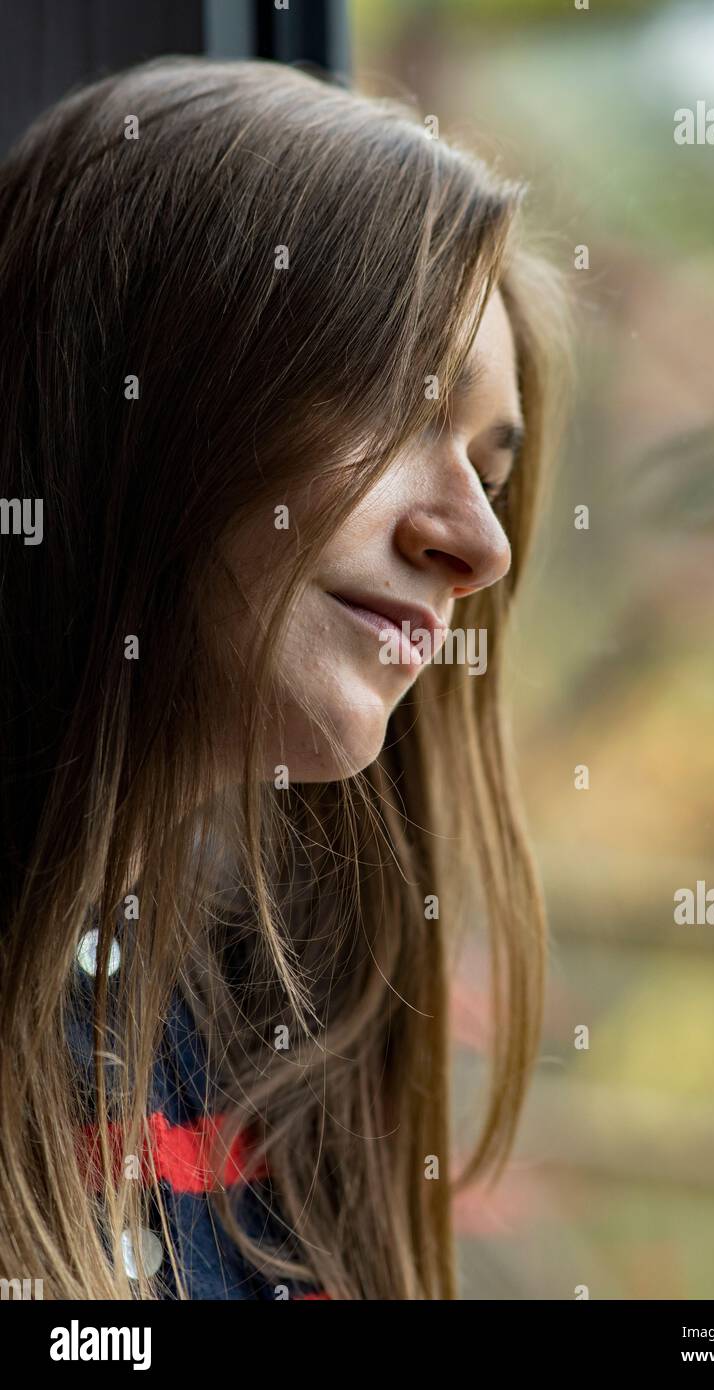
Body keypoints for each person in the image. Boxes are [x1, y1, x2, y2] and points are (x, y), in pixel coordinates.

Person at [0, 55, 570, 1300]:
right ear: (138, 396)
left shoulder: (281, 1049)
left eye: (490, 471)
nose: (479, 546)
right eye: (396, 402)